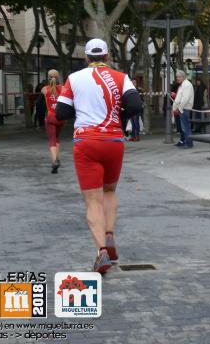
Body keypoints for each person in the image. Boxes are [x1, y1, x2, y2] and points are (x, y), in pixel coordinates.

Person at [55, 38, 142, 273]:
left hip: (86, 142)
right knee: (110, 191)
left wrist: (82, 108)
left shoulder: (74, 79)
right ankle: (110, 234)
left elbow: (61, 111)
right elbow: (136, 105)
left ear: (86, 57)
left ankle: (101, 252)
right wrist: (120, 118)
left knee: (92, 201)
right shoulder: (121, 78)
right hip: (114, 141)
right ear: (107, 55)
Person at [41, 70, 65, 173]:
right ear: (58, 77)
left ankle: (54, 161)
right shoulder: (63, 89)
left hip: (51, 117)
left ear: (48, 77)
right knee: (57, 137)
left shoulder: (45, 89)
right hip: (61, 117)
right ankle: (57, 158)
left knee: (52, 139)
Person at [172, 70, 194, 148]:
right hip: (183, 108)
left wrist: (179, 108)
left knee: (185, 127)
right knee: (184, 127)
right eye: (177, 77)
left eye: (179, 77)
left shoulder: (186, 85)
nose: (177, 78)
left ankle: (188, 143)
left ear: (183, 77)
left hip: (184, 109)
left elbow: (185, 99)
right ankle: (186, 142)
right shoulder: (183, 85)